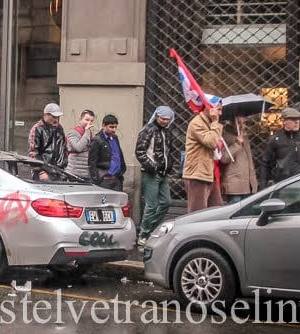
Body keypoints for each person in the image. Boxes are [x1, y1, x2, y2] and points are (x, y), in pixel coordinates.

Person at [135, 106, 176, 245]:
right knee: (151, 205)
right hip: (151, 173)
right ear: (157, 116)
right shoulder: (148, 130)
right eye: (163, 118)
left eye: (167, 119)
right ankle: (144, 234)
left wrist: (169, 165)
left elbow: (169, 151)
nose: (165, 121)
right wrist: (152, 167)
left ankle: (151, 229)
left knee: (166, 202)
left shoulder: (168, 132)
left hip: (163, 173)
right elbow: (140, 151)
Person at [259, 107, 300, 187]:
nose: (297, 122)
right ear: (284, 121)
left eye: (298, 119)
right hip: (281, 184)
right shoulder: (276, 139)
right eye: (293, 119)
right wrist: (263, 186)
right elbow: (266, 164)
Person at [182, 98, 225, 213]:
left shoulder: (208, 122)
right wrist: (216, 122)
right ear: (209, 107)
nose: (220, 113)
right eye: (218, 109)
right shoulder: (197, 123)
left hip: (209, 174)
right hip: (198, 174)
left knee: (216, 211)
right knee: (197, 213)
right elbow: (211, 142)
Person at [219, 114, 258, 204]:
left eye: (244, 123)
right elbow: (224, 158)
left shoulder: (245, 138)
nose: (242, 126)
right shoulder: (226, 137)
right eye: (239, 123)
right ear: (232, 124)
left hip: (248, 185)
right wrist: (236, 144)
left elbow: (249, 161)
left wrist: (253, 182)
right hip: (234, 187)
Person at [28, 103, 67, 180]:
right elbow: (33, 153)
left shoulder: (59, 128)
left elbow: (63, 148)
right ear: (45, 115)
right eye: (54, 117)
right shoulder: (37, 128)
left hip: (59, 170)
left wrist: (64, 166)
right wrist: (40, 171)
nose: (56, 119)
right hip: (44, 171)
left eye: (58, 117)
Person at [88, 114, 126, 191]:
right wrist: (97, 179)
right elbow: (92, 162)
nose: (114, 130)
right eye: (111, 127)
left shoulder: (115, 137)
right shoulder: (97, 140)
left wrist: (122, 171)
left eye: (115, 127)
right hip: (104, 180)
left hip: (117, 178)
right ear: (103, 126)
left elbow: (118, 155)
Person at [66, 110, 95, 180]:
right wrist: (87, 131)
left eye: (91, 121)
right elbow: (78, 147)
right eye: (87, 120)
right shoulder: (73, 133)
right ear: (80, 120)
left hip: (87, 173)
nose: (89, 123)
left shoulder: (90, 134)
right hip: (74, 173)